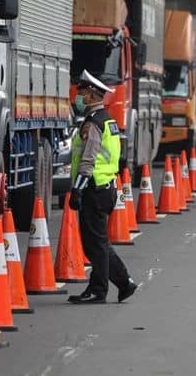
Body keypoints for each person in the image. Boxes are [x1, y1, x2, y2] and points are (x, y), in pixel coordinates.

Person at [67, 70, 137, 304]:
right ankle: (118, 284)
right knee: (98, 243)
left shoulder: (93, 123)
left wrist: (77, 189)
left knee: (95, 244)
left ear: (91, 95)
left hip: (94, 188)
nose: (78, 96)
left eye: (81, 92)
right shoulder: (107, 119)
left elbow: (88, 159)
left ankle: (102, 289)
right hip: (106, 187)